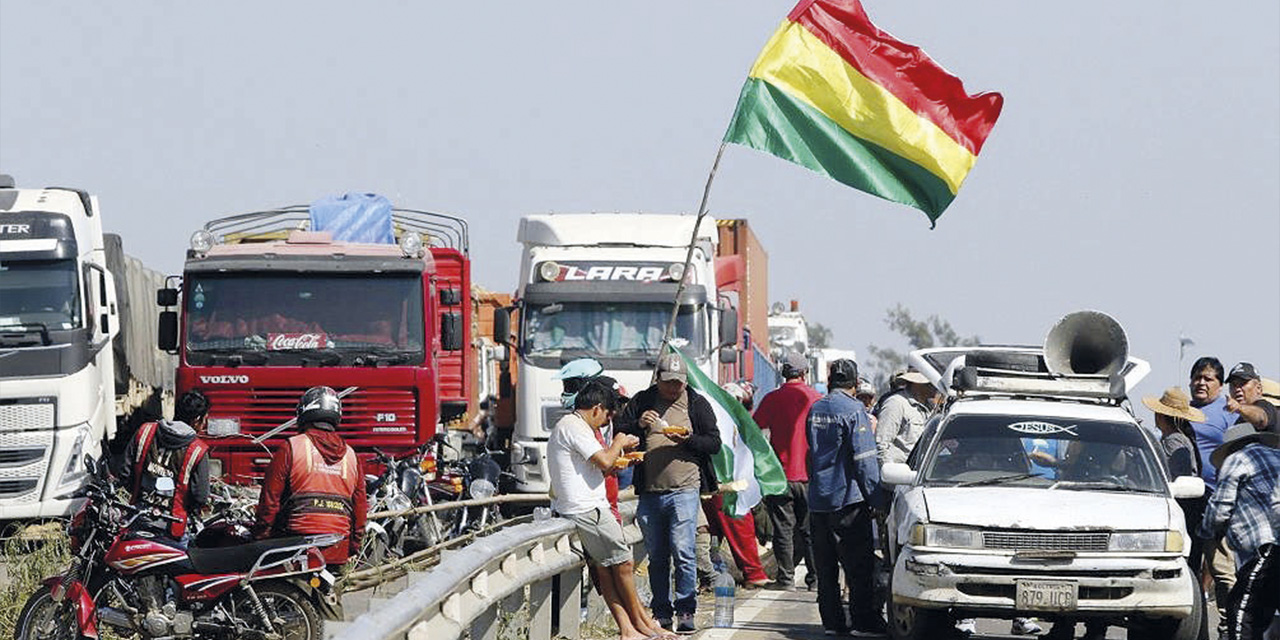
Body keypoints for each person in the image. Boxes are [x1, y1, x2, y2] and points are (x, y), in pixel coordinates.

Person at [547, 379, 670, 640]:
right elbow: (603, 458)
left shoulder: (573, 426)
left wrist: (616, 462)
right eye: (606, 416)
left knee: (606, 569)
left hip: (588, 505)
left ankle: (629, 628)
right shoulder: (574, 426)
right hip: (587, 508)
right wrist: (620, 442)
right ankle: (643, 623)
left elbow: (599, 466)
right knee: (624, 563)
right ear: (596, 408)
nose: (605, 422)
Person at [615, 352, 722, 634]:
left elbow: (713, 443)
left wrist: (688, 439)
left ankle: (686, 609)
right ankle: (661, 612)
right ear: (658, 380)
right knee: (657, 556)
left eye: (678, 383)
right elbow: (619, 430)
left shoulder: (696, 403)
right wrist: (639, 424)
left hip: (685, 489)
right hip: (650, 491)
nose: (674, 388)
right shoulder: (643, 401)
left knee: (684, 552)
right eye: (668, 383)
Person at [805, 359, 886, 636]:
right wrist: (877, 502)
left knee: (826, 570)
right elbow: (864, 461)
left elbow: (810, 456)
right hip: (848, 502)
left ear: (830, 381)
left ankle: (832, 623)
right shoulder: (855, 411)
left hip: (818, 501)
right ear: (855, 384)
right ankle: (863, 622)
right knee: (858, 568)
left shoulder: (816, 409)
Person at [254, 386, 366, 569]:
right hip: (337, 547)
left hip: (294, 545)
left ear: (303, 412)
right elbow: (360, 507)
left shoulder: (290, 447)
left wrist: (261, 537)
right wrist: (353, 545)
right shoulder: (351, 456)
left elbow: (270, 501)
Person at [1199, 422, 1280, 640]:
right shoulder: (1276, 456)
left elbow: (1219, 509)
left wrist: (1205, 532)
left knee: (1242, 612)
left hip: (1267, 548)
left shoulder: (1237, 459)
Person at [753, 351, 821, 591]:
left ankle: (786, 579)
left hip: (780, 476)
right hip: (811, 476)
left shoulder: (772, 399)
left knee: (783, 530)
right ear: (805, 373)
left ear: (783, 372)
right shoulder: (816, 399)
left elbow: (754, 429)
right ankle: (815, 579)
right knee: (810, 530)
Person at [703, 382, 771, 588]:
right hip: (724, 484)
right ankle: (751, 573)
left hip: (732, 484)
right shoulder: (716, 421)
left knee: (717, 533)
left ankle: (715, 574)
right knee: (728, 529)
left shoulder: (739, 423)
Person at [124, 390, 212, 542]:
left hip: (137, 519)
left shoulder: (145, 431)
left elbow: (125, 474)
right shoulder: (198, 450)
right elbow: (200, 496)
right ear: (197, 419)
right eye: (204, 419)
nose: (204, 424)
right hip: (173, 528)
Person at [1143, 387, 1208, 571]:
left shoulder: (1173, 441)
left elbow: (1177, 475)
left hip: (1183, 506)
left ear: (1161, 416)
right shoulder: (1177, 438)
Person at [874, 370, 935, 466]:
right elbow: (881, 445)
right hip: (900, 475)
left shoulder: (930, 408)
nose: (935, 387)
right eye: (929, 384)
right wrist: (891, 474)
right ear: (917, 384)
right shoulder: (896, 403)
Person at [1227, 363, 1279, 434]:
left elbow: (1260, 418)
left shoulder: (1265, 406)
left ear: (1258, 388)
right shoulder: (1240, 420)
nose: (1237, 389)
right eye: (1233, 385)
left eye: (1243, 383)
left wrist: (1239, 408)